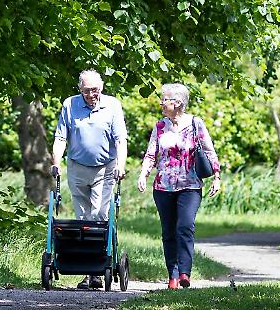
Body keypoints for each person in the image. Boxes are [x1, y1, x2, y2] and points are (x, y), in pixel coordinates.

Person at [136, 82, 221, 289]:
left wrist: (217, 176)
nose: (161, 103)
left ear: (178, 103)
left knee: (185, 226)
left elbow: (209, 151)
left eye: (165, 99)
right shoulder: (160, 126)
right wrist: (143, 174)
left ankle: (184, 272)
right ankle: (172, 276)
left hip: (190, 185)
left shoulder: (195, 123)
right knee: (168, 231)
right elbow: (151, 153)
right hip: (163, 186)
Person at [52, 69, 127, 288]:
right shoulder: (70, 104)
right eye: (86, 91)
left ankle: (97, 270)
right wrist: (56, 162)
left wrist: (121, 165)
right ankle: (88, 272)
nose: (91, 94)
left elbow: (120, 140)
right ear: (80, 89)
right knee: (82, 219)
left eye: (95, 90)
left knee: (98, 216)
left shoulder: (112, 105)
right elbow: (61, 137)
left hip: (105, 168)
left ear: (101, 87)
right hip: (77, 167)